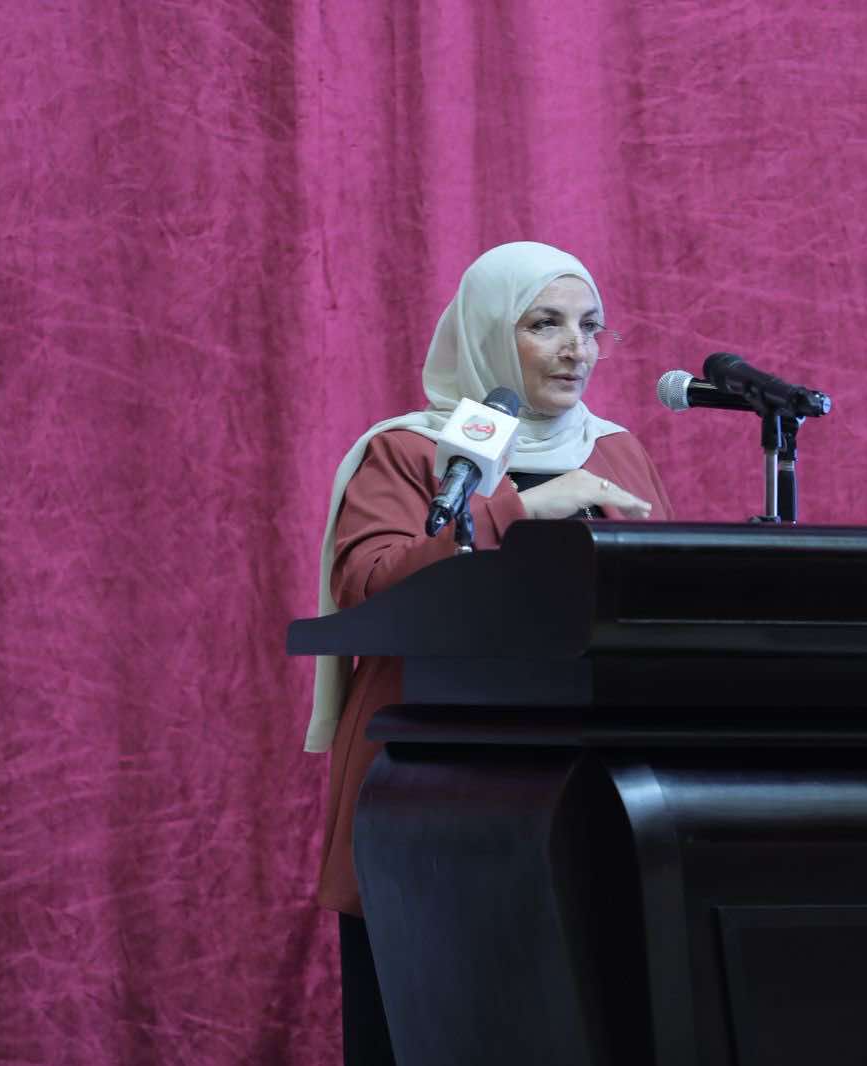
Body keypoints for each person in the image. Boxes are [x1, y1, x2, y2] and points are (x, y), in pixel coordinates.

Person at [302, 241, 673, 1065]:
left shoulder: (616, 451)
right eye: (545, 325)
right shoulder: (412, 452)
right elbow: (371, 588)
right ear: (484, 334)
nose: (576, 349)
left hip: (590, 788)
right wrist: (522, 509)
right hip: (426, 791)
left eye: (590, 326)